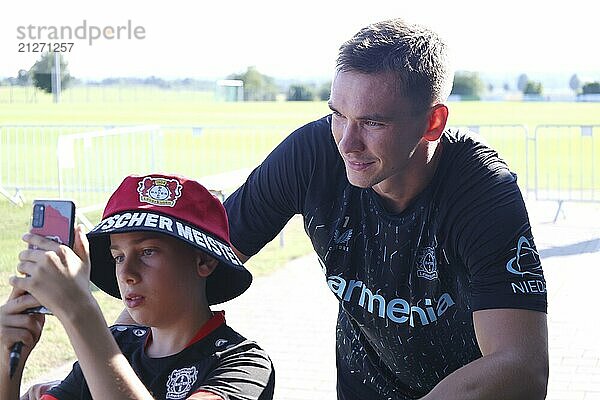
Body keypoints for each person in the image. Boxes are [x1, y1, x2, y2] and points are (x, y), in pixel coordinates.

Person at [222, 18, 548, 399]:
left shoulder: (481, 191)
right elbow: (203, 260)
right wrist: (135, 334)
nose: (347, 142)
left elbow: (521, 366)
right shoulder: (311, 156)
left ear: (433, 121)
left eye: (372, 122)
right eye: (338, 115)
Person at [0, 174, 275, 400]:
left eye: (147, 251)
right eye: (117, 256)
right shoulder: (113, 344)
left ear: (203, 260)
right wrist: (7, 363)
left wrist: (81, 313)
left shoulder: (243, 364)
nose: (126, 273)